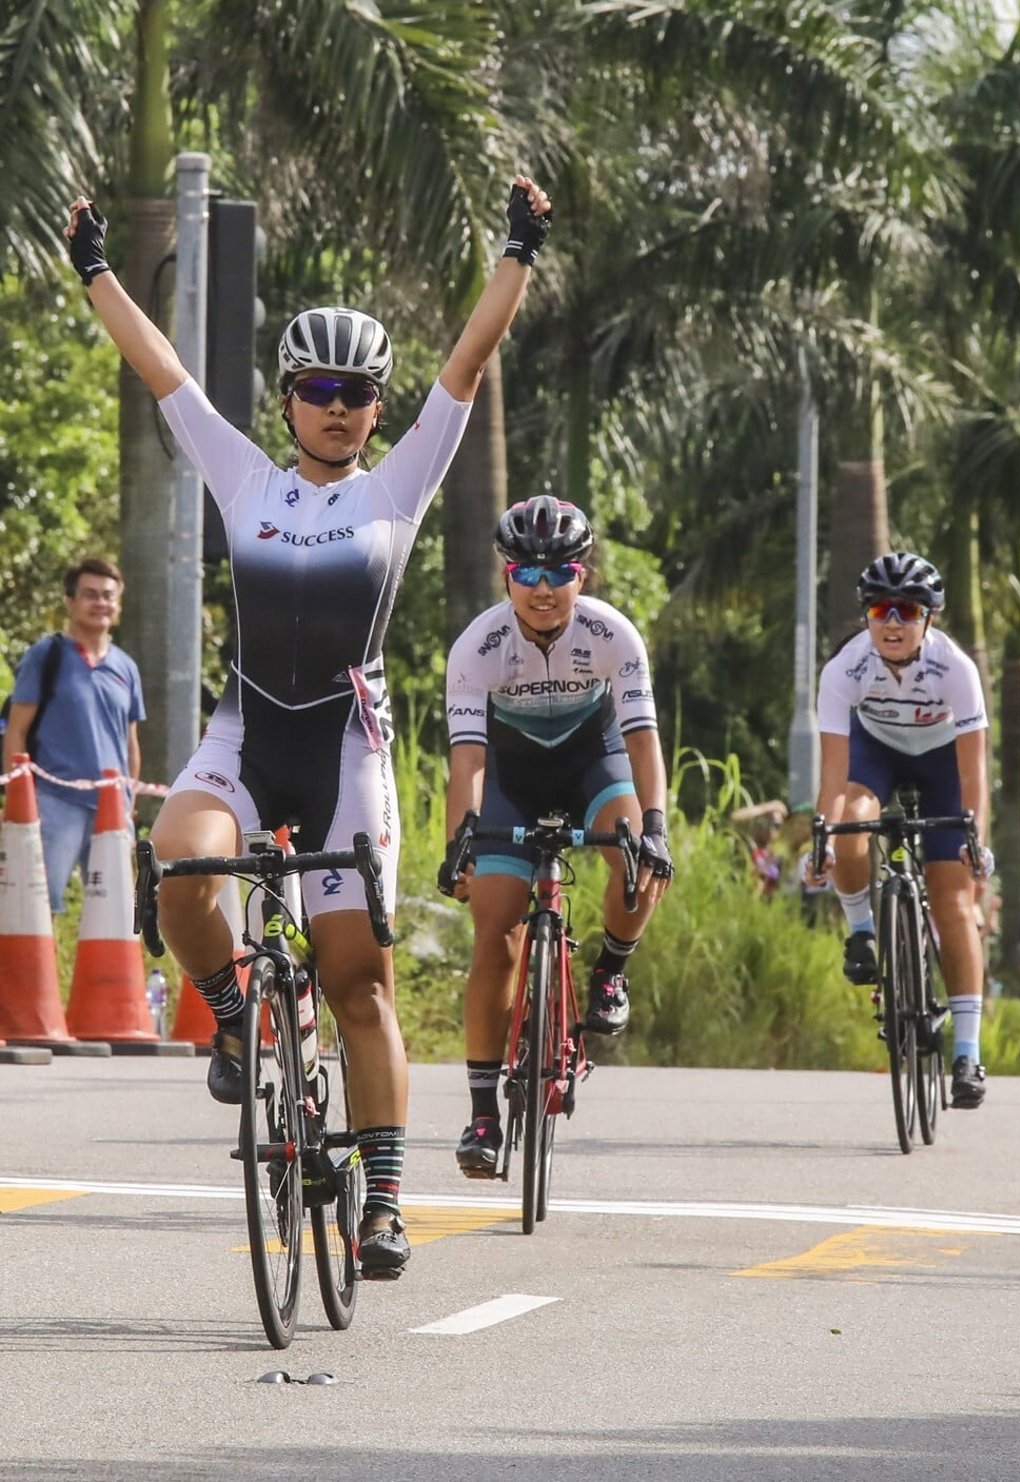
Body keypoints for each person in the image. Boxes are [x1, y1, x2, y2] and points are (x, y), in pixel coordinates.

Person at [64, 173, 552, 1275]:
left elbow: (468, 362)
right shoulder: (244, 481)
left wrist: (518, 251)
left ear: (378, 408)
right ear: (287, 400)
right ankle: (236, 1014)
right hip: (245, 737)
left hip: (345, 752)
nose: (338, 407)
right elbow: (162, 369)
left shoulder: (396, 489)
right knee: (177, 869)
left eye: (358, 392)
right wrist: (95, 269)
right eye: (318, 389)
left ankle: (384, 1200)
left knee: (359, 985)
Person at [439, 496, 674, 1177]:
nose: (543, 589)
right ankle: (483, 1113)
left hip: (592, 764)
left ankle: (610, 972)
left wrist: (656, 829)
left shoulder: (612, 634)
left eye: (559, 572)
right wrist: (460, 842)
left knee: (634, 857)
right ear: (506, 576)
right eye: (527, 573)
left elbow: (642, 741)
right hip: (509, 777)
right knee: (495, 932)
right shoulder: (477, 647)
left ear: (582, 575)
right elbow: (469, 761)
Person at [805, 551, 993, 1109]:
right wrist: (822, 838)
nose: (892, 623)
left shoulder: (955, 668)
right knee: (850, 825)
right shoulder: (845, 668)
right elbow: (834, 773)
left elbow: (973, 771)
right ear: (866, 614)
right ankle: (862, 931)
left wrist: (975, 840)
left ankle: (967, 1054)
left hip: (943, 763)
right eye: (880, 610)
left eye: (906, 611)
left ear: (928, 617)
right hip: (876, 752)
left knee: (953, 901)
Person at [2, 557, 144, 913]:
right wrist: (20, 799)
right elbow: (16, 731)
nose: (101, 603)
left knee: (116, 913)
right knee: (37, 906)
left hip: (112, 806)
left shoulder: (126, 667)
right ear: (70, 601)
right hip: (54, 802)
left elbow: (130, 742)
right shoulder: (45, 656)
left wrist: (128, 801)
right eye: (90, 595)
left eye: (108, 596)